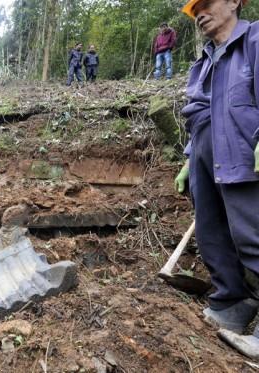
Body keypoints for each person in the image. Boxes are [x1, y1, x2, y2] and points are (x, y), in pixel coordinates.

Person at [176, 0, 259, 358]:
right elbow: (197, 110)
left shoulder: (254, 41)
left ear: (235, 2)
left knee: (253, 235)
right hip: (203, 157)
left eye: (207, 4)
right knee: (211, 233)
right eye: (195, 11)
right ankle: (232, 305)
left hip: (243, 154)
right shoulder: (202, 61)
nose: (200, 14)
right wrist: (188, 158)